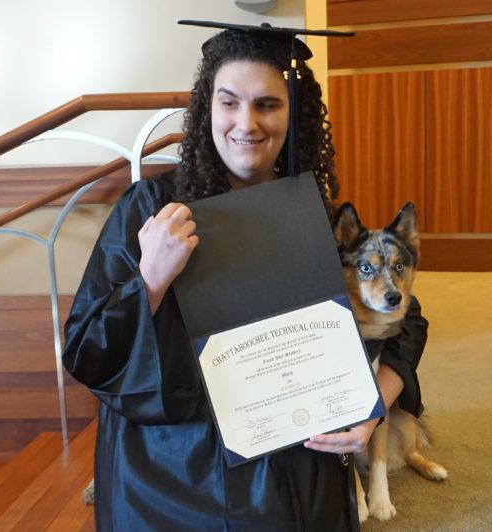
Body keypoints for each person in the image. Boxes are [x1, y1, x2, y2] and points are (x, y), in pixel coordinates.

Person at [62, 25, 428, 531]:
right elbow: (87, 348)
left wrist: (372, 408)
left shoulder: (313, 217)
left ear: (293, 115)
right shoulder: (151, 209)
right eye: (229, 102)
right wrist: (149, 279)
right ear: (206, 109)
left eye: (267, 105)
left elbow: (406, 321)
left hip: (288, 465)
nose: (246, 123)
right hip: (170, 474)